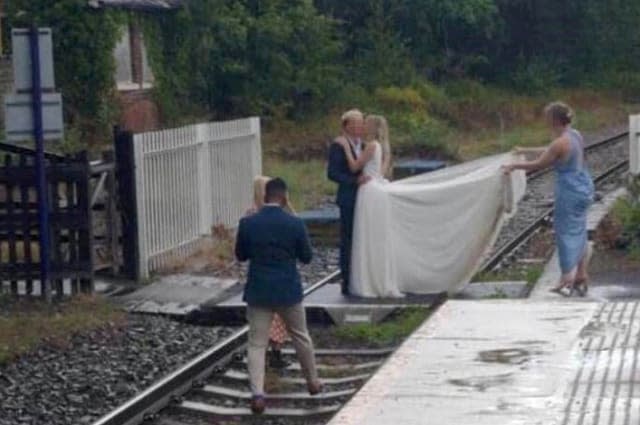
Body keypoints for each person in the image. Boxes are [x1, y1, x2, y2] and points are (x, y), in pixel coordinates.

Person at [235, 178, 322, 414]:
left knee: (256, 343)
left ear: (265, 197)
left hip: (259, 290)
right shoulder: (294, 224)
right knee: (300, 336)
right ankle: (312, 382)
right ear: (284, 197)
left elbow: (241, 255)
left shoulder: (248, 223)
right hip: (288, 291)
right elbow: (306, 257)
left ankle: (258, 395)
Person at [503, 102, 594, 296]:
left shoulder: (560, 143)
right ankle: (581, 274)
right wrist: (525, 149)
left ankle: (566, 278)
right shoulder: (575, 135)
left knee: (565, 233)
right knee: (579, 231)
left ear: (554, 120)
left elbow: (540, 163)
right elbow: (550, 150)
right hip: (584, 186)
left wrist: (514, 167)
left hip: (569, 191)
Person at [246, 176, 293, 369]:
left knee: (265, 320)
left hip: (259, 277)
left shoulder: (251, 217)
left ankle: (269, 353)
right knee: (277, 318)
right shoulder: (284, 215)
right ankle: (275, 352)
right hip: (281, 277)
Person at [327, 109, 371, 295]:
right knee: (348, 238)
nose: (358, 127)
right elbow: (332, 173)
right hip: (349, 198)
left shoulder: (366, 145)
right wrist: (353, 181)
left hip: (367, 197)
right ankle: (347, 279)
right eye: (354, 124)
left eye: (360, 123)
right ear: (346, 126)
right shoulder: (338, 146)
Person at [336, 114, 391, 181]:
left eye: (365, 123)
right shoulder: (377, 144)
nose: (361, 125)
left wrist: (346, 147)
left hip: (368, 183)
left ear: (371, 127)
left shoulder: (372, 145)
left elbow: (354, 168)